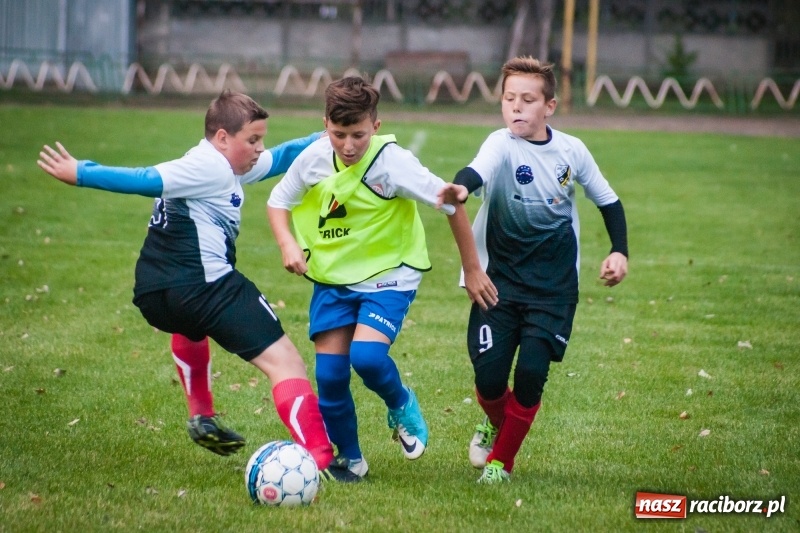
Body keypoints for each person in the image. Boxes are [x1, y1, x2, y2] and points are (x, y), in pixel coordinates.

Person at [36, 90, 361, 482]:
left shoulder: (225, 163)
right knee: (286, 362)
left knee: (189, 324)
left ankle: (201, 415)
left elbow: (282, 157)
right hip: (206, 288)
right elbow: (144, 179)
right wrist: (81, 172)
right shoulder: (209, 168)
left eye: (260, 139)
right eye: (252, 140)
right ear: (222, 137)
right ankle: (321, 461)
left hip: (156, 293)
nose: (260, 149)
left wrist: (325, 135)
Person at [267, 76, 497, 479]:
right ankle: (351, 459)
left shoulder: (393, 163)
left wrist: (474, 269)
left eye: (358, 134)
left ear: (375, 125)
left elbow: (449, 204)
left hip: (390, 274)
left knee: (367, 358)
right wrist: (287, 244)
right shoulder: (314, 158)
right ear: (325, 126)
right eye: (339, 135)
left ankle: (401, 403)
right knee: (330, 375)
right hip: (335, 277)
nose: (349, 145)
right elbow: (278, 200)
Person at [439, 56, 629, 484]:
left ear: (550, 106)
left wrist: (619, 251)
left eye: (528, 99)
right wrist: (460, 187)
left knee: (530, 374)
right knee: (489, 379)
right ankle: (494, 422)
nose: (517, 108)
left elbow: (609, 201)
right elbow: (476, 171)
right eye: (509, 99)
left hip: (553, 288)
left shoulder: (571, 151)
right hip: (497, 282)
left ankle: (500, 463)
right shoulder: (500, 144)